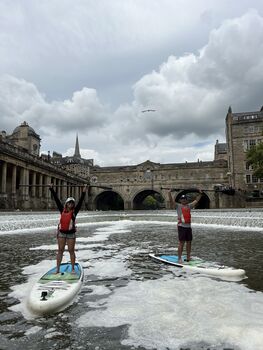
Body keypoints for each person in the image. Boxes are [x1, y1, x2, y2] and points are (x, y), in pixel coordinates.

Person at [49, 184, 87, 273]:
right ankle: (57, 269)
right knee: (60, 251)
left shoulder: (75, 211)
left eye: (72, 203)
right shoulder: (62, 209)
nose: (71, 204)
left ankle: (73, 269)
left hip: (71, 234)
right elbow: (56, 199)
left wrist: (84, 190)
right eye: (69, 202)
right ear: (66, 203)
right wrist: (51, 189)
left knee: (71, 251)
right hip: (62, 233)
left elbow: (81, 200)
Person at [168, 189, 203, 263]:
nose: (183, 200)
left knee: (189, 242)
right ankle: (179, 258)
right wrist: (169, 193)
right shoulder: (178, 206)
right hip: (181, 227)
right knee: (181, 243)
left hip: (188, 227)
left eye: (185, 199)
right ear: (180, 200)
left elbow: (196, 200)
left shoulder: (189, 206)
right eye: (182, 199)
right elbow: (171, 201)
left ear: (187, 200)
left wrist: (200, 194)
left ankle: (188, 257)